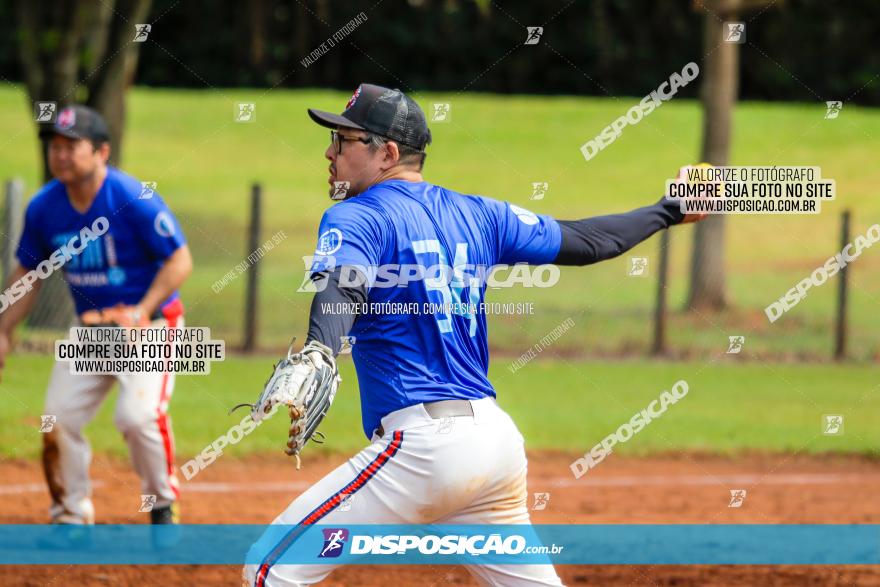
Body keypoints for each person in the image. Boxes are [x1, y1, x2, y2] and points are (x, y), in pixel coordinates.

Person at [244, 84, 705, 586]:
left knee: (270, 568)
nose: (329, 152)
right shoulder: (479, 214)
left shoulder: (357, 215)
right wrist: (670, 208)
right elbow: (591, 241)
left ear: (389, 154)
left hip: (424, 451)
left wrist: (320, 348)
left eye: (345, 139)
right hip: (495, 446)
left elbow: (345, 285)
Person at [0, 105, 192, 525]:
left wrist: (140, 313)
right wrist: (3, 330)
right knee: (57, 419)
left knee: (137, 416)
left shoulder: (130, 198)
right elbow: (29, 273)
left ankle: (161, 503)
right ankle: (70, 513)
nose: (61, 154)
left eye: (72, 145)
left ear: (102, 151)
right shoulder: (44, 207)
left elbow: (179, 260)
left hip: (150, 326)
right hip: (91, 330)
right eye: (55, 145)